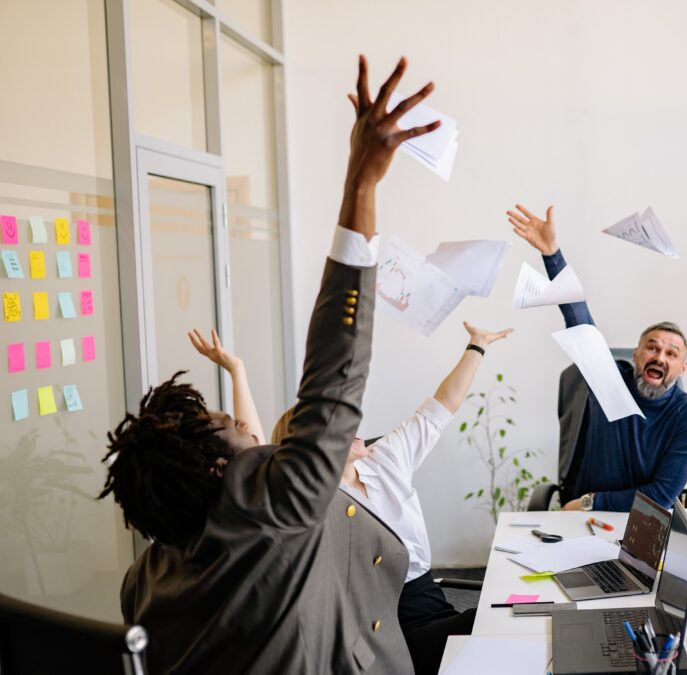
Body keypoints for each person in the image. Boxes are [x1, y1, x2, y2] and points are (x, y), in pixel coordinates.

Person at [98, 55, 441, 674]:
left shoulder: (144, 581)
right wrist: (361, 182)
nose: (233, 415)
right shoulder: (275, 508)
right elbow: (333, 380)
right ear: (220, 466)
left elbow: (261, 436)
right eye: (221, 420)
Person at [265, 321, 512, 675]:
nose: (353, 428)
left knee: (499, 623)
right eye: (337, 426)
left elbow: (442, 407)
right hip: (380, 626)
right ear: (313, 448)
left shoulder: (384, 457)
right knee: (490, 625)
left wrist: (477, 344)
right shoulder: (316, 505)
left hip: (430, 598)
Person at [507, 203, 687, 512]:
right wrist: (551, 253)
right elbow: (579, 319)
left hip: (637, 520)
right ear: (637, 354)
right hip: (577, 519)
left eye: (672, 353)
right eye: (652, 347)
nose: (660, 357)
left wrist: (591, 502)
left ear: (683, 367)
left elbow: (661, 496)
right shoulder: (609, 381)